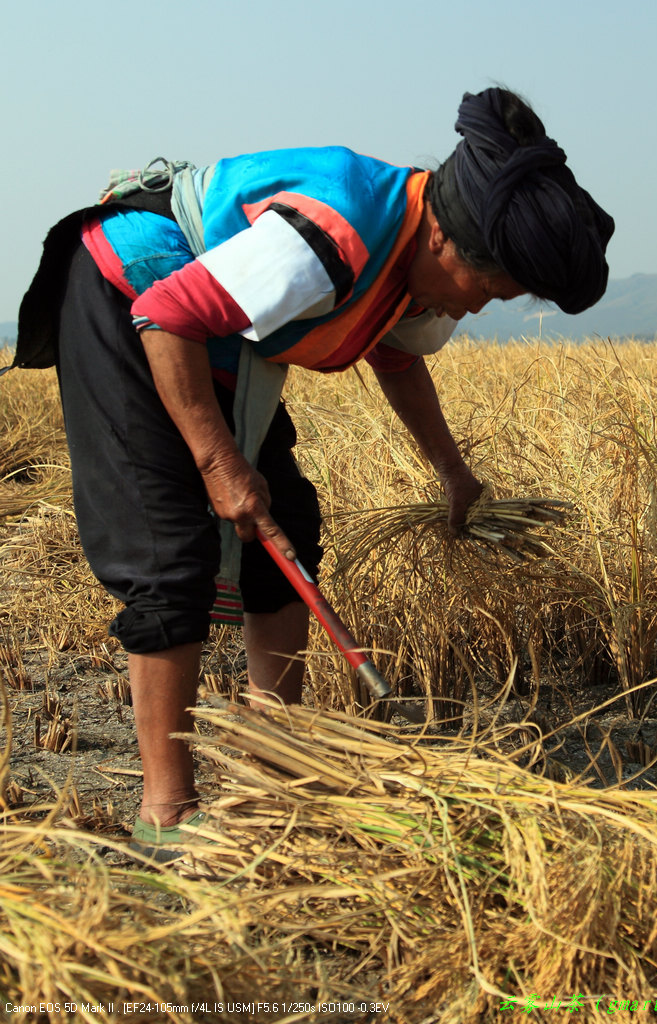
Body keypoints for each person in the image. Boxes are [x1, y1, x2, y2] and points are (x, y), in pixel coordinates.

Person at [15, 86, 613, 858]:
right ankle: (166, 813)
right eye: (490, 289)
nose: (482, 308)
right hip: (132, 297)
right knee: (171, 556)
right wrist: (219, 462)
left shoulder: (409, 250)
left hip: (212, 338)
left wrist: (453, 474)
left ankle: (277, 779)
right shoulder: (334, 236)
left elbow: (393, 354)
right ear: (446, 245)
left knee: (287, 525)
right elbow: (167, 315)